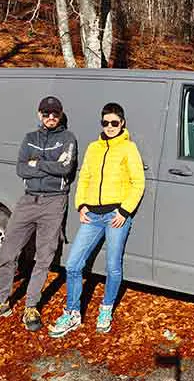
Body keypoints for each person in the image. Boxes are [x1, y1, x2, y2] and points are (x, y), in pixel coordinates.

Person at [0, 96, 78, 332]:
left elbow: (65, 168)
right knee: (8, 251)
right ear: (39, 114)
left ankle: (31, 305)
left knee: (44, 256)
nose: (50, 117)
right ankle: (1, 302)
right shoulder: (29, 139)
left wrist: (38, 164)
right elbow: (20, 168)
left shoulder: (68, 139)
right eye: (46, 113)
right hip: (27, 200)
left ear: (61, 114)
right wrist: (47, 164)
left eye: (55, 113)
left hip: (53, 203)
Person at [48, 102, 145, 337]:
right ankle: (72, 313)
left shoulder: (129, 148)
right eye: (105, 123)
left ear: (122, 123)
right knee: (72, 264)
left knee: (113, 266)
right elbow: (85, 177)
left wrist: (124, 211)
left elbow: (138, 182)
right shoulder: (93, 147)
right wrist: (81, 205)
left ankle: (106, 309)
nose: (110, 127)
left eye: (114, 123)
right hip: (92, 215)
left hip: (115, 216)